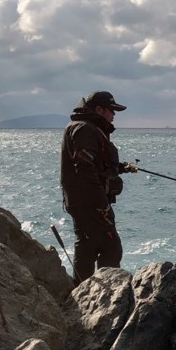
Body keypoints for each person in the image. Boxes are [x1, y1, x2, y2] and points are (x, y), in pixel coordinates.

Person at [59, 91, 136, 285]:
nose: (114, 114)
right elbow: (85, 170)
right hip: (90, 203)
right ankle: (106, 292)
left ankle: (81, 291)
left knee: (87, 248)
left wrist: (122, 168)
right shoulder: (85, 129)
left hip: (82, 202)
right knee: (111, 248)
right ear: (99, 109)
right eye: (111, 110)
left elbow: (95, 164)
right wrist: (102, 205)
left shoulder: (86, 127)